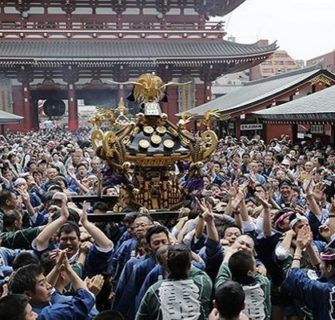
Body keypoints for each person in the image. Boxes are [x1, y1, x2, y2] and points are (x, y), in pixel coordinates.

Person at [136, 244, 212, 320]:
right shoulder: (203, 282)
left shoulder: (154, 290)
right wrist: (184, 252)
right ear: (189, 264)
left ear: (166, 265)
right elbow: (201, 265)